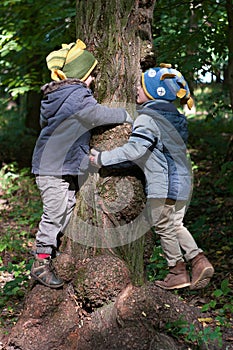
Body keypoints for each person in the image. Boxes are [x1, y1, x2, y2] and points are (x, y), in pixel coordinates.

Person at [89, 63, 214, 290]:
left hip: (162, 184)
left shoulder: (147, 119)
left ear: (154, 91)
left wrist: (101, 159)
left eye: (140, 84)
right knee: (176, 224)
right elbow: (153, 149)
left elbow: (136, 150)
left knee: (163, 225)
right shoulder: (176, 118)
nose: (135, 87)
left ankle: (177, 271)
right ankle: (198, 261)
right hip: (183, 182)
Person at [30, 39, 133, 288]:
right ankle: (40, 261)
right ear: (81, 76)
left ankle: (52, 250)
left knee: (66, 208)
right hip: (53, 167)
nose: (94, 80)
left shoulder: (59, 95)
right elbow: (96, 115)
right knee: (55, 213)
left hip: (57, 166)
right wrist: (125, 114)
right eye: (91, 75)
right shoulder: (77, 95)